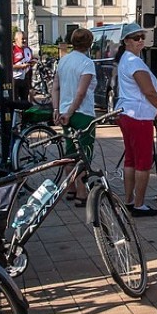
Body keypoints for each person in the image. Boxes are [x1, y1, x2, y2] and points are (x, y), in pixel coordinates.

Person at [114, 22, 157, 217]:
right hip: (139, 115)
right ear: (126, 41)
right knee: (143, 161)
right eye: (136, 38)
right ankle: (139, 203)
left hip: (127, 113)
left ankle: (129, 199)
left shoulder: (126, 59)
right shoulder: (134, 62)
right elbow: (148, 90)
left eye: (142, 37)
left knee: (131, 159)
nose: (141, 41)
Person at [52, 28, 97, 207]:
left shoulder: (63, 61)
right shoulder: (87, 63)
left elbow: (55, 87)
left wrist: (57, 109)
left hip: (64, 111)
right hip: (82, 113)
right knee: (84, 153)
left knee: (70, 151)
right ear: (89, 43)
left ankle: (70, 188)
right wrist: (71, 111)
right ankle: (81, 192)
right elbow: (81, 93)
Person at [12, 30, 34, 102]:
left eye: (25, 39)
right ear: (16, 40)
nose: (24, 40)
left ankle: (23, 113)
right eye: (22, 39)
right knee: (15, 101)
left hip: (26, 79)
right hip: (15, 79)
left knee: (24, 101)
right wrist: (21, 66)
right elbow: (9, 66)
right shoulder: (12, 49)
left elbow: (30, 61)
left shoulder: (28, 49)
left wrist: (32, 63)